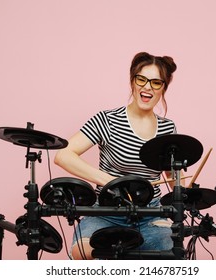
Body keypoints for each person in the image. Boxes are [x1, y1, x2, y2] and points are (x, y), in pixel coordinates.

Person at [54, 51, 179, 259]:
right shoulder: (107, 120)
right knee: (83, 252)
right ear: (133, 82)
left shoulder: (168, 128)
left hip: (150, 216)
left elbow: (172, 176)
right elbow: (63, 155)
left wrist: (190, 193)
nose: (148, 87)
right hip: (105, 214)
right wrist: (110, 181)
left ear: (163, 88)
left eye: (156, 83)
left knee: (170, 254)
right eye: (142, 79)